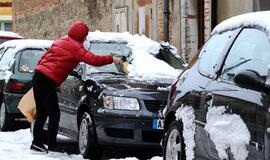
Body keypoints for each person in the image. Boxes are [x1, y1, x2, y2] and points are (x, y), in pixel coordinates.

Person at [30, 21, 123, 152]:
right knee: (54, 114)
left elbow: (46, 58)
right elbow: (93, 60)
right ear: (81, 35)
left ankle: (36, 142)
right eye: (85, 35)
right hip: (47, 80)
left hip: (38, 75)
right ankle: (51, 146)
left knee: (42, 113)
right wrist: (111, 59)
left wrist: (66, 72)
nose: (86, 38)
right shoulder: (76, 47)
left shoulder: (61, 40)